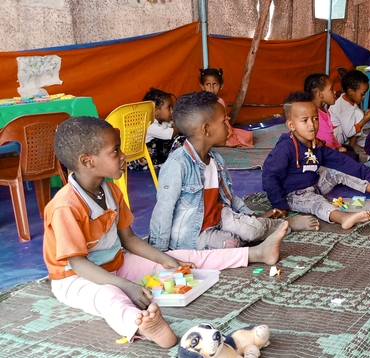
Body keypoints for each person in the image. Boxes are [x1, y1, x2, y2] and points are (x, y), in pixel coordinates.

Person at [45, 116, 290, 349]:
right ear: (87, 161)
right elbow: (77, 263)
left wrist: (165, 259)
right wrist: (125, 285)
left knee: (183, 258)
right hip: (74, 279)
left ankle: (256, 253)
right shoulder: (65, 206)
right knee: (109, 295)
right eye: (115, 151)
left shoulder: (111, 191)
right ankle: (143, 326)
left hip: (115, 263)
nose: (123, 156)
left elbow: (129, 239)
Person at [149, 91, 318, 251]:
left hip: (220, 218)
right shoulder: (177, 164)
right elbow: (163, 210)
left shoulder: (217, 160)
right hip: (193, 234)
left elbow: (230, 197)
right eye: (224, 122)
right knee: (230, 243)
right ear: (206, 130)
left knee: (252, 230)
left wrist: (250, 217)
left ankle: (283, 224)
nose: (229, 128)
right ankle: (256, 251)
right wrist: (160, 251)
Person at [262, 92, 370, 229]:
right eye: (304, 120)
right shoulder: (284, 149)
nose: (312, 125)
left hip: (315, 185)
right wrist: (279, 204)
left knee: (336, 170)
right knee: (317, 202)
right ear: (291, 125)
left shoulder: (317, 145)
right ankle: (343, 217)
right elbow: (270, 176)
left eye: (315, 118)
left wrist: (366, 173)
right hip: (293, 195)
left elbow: (341, 161)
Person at [304, 73, 358, 162]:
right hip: (320, 152)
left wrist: (338, 146)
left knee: (350, 150)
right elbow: (326, 142)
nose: (335, 91)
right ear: (320, 93)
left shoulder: (325, 111)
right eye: (331, 88)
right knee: (351, 157)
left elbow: (330, 135)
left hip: (329, 148)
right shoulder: (314, 114)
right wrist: (336, 151)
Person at [199, 68, 253, 148]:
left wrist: (227, 131)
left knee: (242, 136)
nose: (211, 88)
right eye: (208, 84)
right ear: (202, 86)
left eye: (215, 84)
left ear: (221, 85)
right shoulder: (200, 101)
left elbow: (224, 119)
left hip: (219, 127)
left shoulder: (220, 101)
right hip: (206, 128)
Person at [328, 69, 370, 155]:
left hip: (340, 132)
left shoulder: (344, 97)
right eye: (362, 94)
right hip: (335, 138)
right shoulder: (344, 108)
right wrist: (364, 119)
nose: (364, 96)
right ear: (351, 92)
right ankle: (353, 144)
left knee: (359, 114)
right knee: (359, 115)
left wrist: (364, 113)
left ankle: (353, 143)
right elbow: (349, 132)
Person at [130, 88, 179, 170]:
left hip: (149, 155)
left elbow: (170, 126)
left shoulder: (163, 122)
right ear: (155, 111)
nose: (172, 111)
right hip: (138, 160)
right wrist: (181, 125)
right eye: (169, 108)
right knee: (178, 138)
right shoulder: (149, 125)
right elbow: (169, 134)